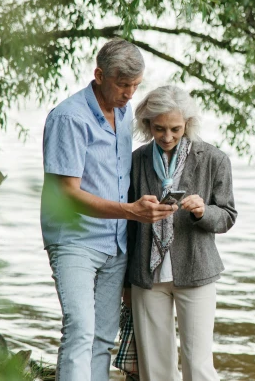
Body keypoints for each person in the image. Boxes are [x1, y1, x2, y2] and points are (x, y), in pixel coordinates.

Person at [40, 39, 176, 381]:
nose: (130, 93)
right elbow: (67, 194)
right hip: (74, 241)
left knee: (102, 338)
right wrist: (131, 211)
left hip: (115, 243)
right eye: (122, 84)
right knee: (80, 331)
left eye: (135, 85)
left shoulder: (124, 111)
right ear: (99, 75)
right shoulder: (69, 117)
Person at [125, 85, 237, 381]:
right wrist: (126, 282)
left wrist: (203, 211)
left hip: (197, 270)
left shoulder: (214, 159)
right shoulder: (136, 160)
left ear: (187, 123)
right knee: (154, 370)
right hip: (146, 276)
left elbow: (227, 216)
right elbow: (127, 224)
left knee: (198, 367)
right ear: (147, 124)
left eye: (175, 128)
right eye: (159, 128)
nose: (167, 137)